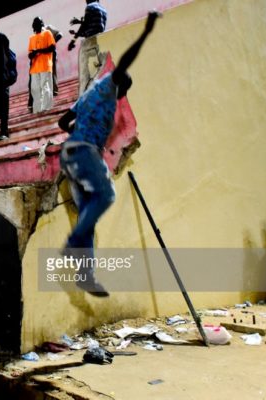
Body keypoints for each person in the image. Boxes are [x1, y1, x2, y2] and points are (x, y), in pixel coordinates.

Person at [57, 11, 160, 297]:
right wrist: (147, 31)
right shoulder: (107, 87)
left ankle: (85, 274)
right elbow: (125, 62)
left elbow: (62, 122)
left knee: (87, 215)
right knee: (106, 195)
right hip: (83, 153)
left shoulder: (88, 97)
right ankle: (72, 245)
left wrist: (82, 129)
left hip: (71, 155)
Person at [70, 0, 108, 93]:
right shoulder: (103, 10)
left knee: (84, 76)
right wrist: (79, 23)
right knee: (98, 71)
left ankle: (83, 98)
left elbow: (85, 25)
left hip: (89, 43)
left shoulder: (90, 7)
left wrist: (73, 40)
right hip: (100, 41)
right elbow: (95, 26)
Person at [28, 17, 56, 114]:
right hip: (34, 68)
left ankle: (47, 109)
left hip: (45, 65)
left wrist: (38, 51)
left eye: (39, 22)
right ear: (33, 26)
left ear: (42, 24)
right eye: (35, 23)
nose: (37, 24)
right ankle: (37, 110)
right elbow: (30, 54)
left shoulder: (47, 33)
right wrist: (32, 54)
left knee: (45, 87)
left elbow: (52, 48)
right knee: (35, 89)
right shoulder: (31, 38)